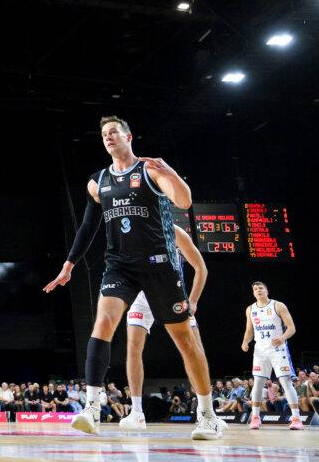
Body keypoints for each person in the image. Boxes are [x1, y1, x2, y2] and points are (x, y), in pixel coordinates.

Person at [44, 116, 225, 441]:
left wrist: (169, 172)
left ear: (128, 136)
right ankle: (91, 408)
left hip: (159, 264)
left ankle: (208, 414)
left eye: (114, 132)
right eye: (104, 135)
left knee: (184, 339)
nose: (109, 137)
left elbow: (184, 201)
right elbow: (87, 227)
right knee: (102, 325)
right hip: (120, 266)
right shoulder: (98, 182)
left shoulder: (151, 171)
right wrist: (69, 265)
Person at [117, 222, 208, 429]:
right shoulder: (132, 230)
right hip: (141, 297)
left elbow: (201, 268)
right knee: (132, 347)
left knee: (193, 349)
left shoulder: (174, 232)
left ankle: (206, 411)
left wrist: (193, 300)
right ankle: (137, 412)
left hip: (173, 294)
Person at [241, 281, 303, 430]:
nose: (258, 290)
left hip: (278, 349)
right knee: (257, 383)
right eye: (255, 289)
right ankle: (255, 417)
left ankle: (296, 418)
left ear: (267, 290)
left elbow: (292, 328)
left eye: (261, 288)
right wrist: (245, 342)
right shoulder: (250, 309)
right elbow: (249, 330)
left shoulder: (278, 305)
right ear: (253, 293)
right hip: (260, 350)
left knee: (285, 382)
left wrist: (282, 338)